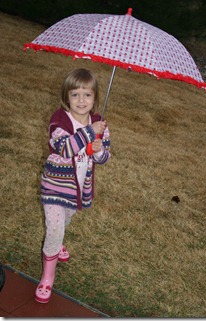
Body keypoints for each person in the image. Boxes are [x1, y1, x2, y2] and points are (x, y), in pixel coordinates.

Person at [35, 68, 110, 303]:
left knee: (63, 222)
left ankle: (59, 242)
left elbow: (105, 156)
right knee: (54, 227)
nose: (81, 100)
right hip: (55, 185)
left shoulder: (99, 123)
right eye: (75, 94)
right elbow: (65, 148)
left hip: (78, 188)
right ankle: (48, 277)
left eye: (87, 95)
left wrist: (98, 151)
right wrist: (89, 133)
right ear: (66, 96)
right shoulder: (59, 120)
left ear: (95, 98)